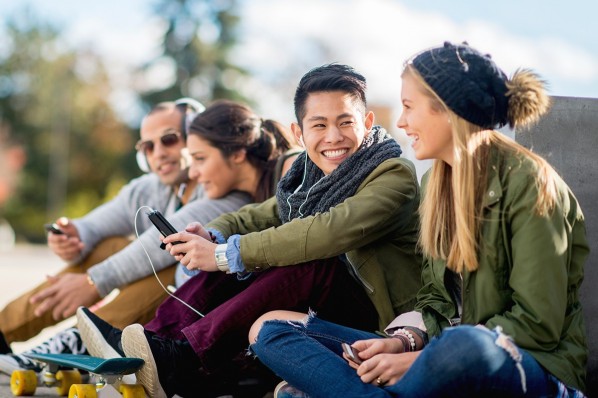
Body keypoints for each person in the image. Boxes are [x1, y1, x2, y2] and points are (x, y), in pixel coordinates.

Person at [249, 42, 590, 398]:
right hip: (439, 353)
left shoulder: (531, 184)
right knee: (274, 329)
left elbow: (537, 324)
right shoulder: (436, 183)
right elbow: (435, 299)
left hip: (527, 366)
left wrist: (419, 359)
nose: (401, 121)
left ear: (448, 110)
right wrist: (402, 342)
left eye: (409, 107)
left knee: (466, 345)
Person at [78, 63, 422, 398]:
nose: (334, 136)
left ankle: (182, 359)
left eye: (346, 122)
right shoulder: (308, 176)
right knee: (239, 252)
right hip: (332, 304)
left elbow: (326, 233)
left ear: (367, 121)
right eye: (319, 125)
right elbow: (257, 215)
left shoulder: (393, 174)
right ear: (299, 133)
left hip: (381, 323)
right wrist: (212, 234)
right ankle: (153, 343)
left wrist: (225, 255)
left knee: (301, 260)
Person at [0, 99, 256, 373]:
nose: (157, 153)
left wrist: (94, 282)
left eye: (168, 139)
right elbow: (97, 223)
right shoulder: (151, 187)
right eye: (147, 146)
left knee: (171, 257)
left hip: (206, 314)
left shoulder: (226, 191)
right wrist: (74, 235)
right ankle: (4, 330)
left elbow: (160, 241)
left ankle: (79, 341)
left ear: (194, 137)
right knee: (108, 244)